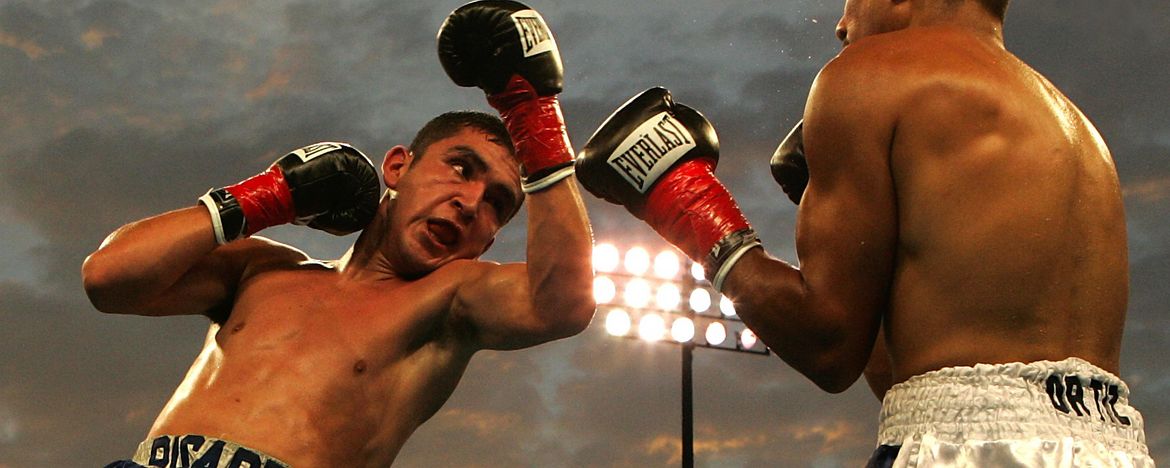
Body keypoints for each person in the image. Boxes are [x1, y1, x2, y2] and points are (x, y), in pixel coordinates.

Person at [574, 0, 1153, 465]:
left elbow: (828, 347)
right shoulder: (1079, 132)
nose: (841, 24)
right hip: (1117, 446)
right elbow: (905, 381)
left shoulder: (872, 76)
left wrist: (685, 200)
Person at [84, 1, 593, 466]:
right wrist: (267, 196)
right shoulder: (263, 269)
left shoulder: (449, 302)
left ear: (489, 241)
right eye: (460, 168)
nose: (471, 203)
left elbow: (562, 305)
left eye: (497, 204)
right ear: (398, 167)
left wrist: (536, 122)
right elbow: (108, 277)